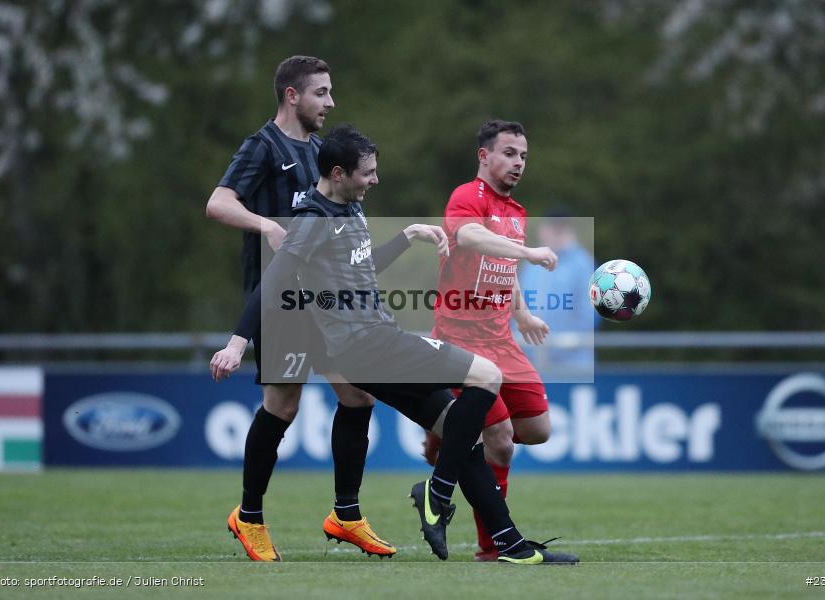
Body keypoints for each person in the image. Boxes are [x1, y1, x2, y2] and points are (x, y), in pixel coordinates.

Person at [211, 124, 577, 565]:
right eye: (368, 173)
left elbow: (362, 269)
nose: (375, 180)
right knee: (488, 377)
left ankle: (510, 546)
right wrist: (236, 343)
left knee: (462, 438)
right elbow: (273, 282)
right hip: (370, 346)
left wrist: (406, 237)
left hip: (374, 345)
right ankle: (436, 492)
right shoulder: (313, 219)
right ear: (339, 172)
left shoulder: (348, 209)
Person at [205, 56, 388, 562]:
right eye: (322, 93)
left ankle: (346, 516)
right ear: (292, 96)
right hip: (282, 300)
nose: (330, 102)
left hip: (327, 300)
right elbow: (217, 203)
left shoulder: (324, 153)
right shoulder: (263, 146)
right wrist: (264, 224)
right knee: (283, 407)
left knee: (358, 396)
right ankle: (249, 516)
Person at [427, 120, 560, 561]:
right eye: (508, 153)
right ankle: (494, 545)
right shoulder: (468, 196)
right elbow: (469, 236)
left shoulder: (516, 211)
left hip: (502, 340)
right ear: (484, 156)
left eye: (523, 155)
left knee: (538, 430)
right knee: (501, 437)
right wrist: (529, 253)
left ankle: (452, 442)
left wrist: (521, 312)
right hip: (460, 340)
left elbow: (503, 267)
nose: (518, 162)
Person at [517, 209, 600, 370]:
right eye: (549, 228)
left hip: (573, 362)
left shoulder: (583, 264)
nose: (552, 234)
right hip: (531, 361)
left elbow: (590, 312)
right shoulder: (530, 265)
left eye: (558, 229)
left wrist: (560, 344)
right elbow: (517, 304)